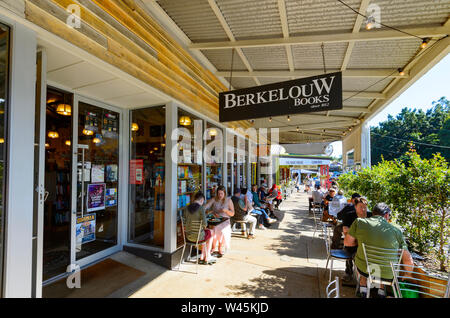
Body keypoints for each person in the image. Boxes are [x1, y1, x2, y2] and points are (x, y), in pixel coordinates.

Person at [344, 203, 414, 298]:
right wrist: (408, 274)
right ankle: (381, 291)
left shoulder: (359, 222)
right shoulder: (397, 231)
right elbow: (407, 258)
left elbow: (348, 243)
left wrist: (360, 242)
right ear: (386, 215)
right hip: (389, 275)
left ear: (373, 213)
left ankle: (363, 289)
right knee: (384, 263)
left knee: (360, 256)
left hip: (365, 270)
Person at [185, 192, 215, 265]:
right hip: (198, 237)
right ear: (202, 200)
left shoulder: (186, 208)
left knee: (204, 233)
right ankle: (207, 256)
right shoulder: (201, 208)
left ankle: (202, 256)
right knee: (211, 232)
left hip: (188, 237)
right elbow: (205, 224)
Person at [204, 185, 234, 257]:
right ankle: (213, 247)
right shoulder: (214, 199)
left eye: (222, 194)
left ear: (225, 193)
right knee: (214, 229)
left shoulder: (228, 200)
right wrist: (202, 208)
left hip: (225, 220)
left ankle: (220, 247)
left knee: (222, 230)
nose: (220, 195)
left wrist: (226, 211)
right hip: (215, 220)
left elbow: (232, 213)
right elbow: (207, 206)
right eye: (219, 193)